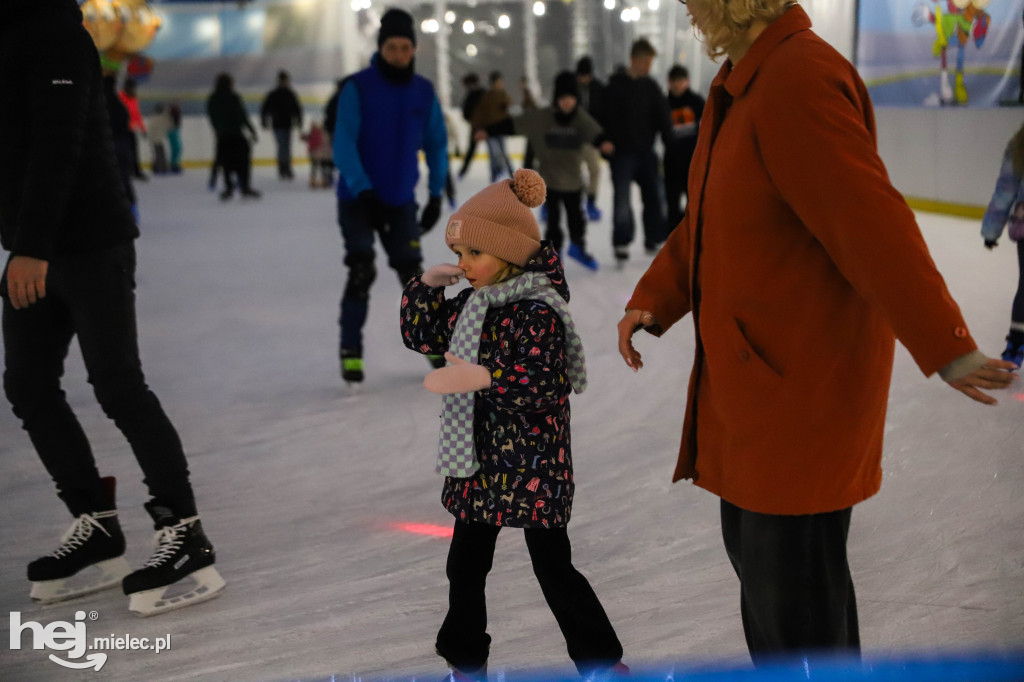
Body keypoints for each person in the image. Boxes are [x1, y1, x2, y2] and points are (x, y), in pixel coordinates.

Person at [615, 0, 1018, 663]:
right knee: (774, 597)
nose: (690, 16)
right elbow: (715, 214)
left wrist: (946, 346)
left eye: (695, 3)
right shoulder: (745, 79)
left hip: (800, 392)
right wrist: (655, 298)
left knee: (798, 618)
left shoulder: (797, 78)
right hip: (756, 387)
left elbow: (872, 224)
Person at [0, 0, 225, 617]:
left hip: (88, 242)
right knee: (28, 384)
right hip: (33, 243)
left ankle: (184, 532)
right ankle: (94, 522)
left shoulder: (57, 34)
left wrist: (31, 246)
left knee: (117, 383)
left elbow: (58, 142)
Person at [400, 169, 628, 681]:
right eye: (459, 257)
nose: (464, 266)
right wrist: (425, 289)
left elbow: (543, 383)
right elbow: (423, 336)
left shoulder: (538, 310)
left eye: (473, 255)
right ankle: (465, 664)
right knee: (464, 568)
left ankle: (602, 663)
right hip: (479, 466)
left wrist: (480, 376)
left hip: (532, 468)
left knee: (553, 569)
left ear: (508, 252)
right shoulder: (473, 302)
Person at [332, 8, 447, 383]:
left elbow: (436, 145)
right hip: (358, 200)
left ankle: (432, 346)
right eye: (392, 47)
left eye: (405, 48)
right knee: (362, 270)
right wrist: (363, 190)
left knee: (414, 277)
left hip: (400, 201)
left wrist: (434, 194)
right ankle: (351, 351)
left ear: (413, 50)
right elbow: (343, 143)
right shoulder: (357, 87)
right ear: (381, 47)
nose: (399, 54)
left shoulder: (423, 92)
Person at [479, 71, 613, 270]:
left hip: (574, 181)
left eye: (571, 99)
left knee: (576, 219)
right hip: (550, 181)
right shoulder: (542, 117)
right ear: (556, 99)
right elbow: (514, 124)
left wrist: (605, 145)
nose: (567, 103)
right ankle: (553, 257)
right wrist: (488, 131)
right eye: (563, 99)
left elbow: (597, 135)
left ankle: (577, 247)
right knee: (553, 223)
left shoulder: (581, 119)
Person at [599, 38, 672, 266]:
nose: (649, 67)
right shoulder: (614, 86)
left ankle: (654, 238)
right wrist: (603, 140)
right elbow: (600, 116)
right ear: (634, 59)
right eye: (645, 62)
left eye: (651, 62)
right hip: (621, 154)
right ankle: (622, 242)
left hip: (646, 153)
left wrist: (671, 144)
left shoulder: (651, 87)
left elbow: (663, 117)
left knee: (654, 197)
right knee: (622, 200)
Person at [981, 122, 1024, 367]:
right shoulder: (1020, 144)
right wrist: (991, 230)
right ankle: (1017, 340)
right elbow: (1006, 189)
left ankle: (1017, 341)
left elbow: (1005, 190)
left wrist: (991, 231)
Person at [663, 65, 705, 233]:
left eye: (681, 81)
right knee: (672, 202)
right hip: (671, 161)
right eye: (674, 81)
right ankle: (672, 237)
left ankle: (692, 236)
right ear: (669, 83)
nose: (677, 85)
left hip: (691, 160)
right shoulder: (663, 103)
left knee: (693, 202)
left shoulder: (696, 101)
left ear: (687, 82)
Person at [206, 72, 261, 200]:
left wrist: (217, 129)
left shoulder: (213, 98)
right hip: (237, 135)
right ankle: (245, 187)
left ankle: (229, 187)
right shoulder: (234, 97)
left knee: (226, 163)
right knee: (243, 162)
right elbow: (242, 115)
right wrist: (252, 130)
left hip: (223, 136)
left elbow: (212, 117)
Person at [470, 71, 515, 182]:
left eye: (501, 82)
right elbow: (480, 113)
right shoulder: (487, 97)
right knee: (493, 152)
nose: (500, 84)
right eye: (498, 82)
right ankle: (495, 174)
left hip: (501, 129)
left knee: (503, 152)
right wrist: (478, 127)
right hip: (489, 129)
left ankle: (511, 173)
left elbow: (509, 106)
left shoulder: (503, 95)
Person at [576, 56, 606, 221]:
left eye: (585, 76)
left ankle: (591, 201)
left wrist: (601, 136)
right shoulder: (572, 88)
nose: (583, 79)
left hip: (592, 139)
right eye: (580, 76)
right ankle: (573, 199)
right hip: (573, 140)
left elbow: (603, 113)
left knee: (595, 169)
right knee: (571, 172)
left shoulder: (598, 89)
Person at [261, 70, 303, 180]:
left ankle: (287, 168)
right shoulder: (274, 94)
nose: (285, 82)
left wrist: (299, 120)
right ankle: (282, 168)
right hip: (278, 124)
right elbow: (266, 108)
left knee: (286, 146)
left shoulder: (290, 94)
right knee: (281, 146)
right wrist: (264, 121)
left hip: (287, 124)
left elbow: (297, 108)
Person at [456, 73, 485, 179]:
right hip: (484, 125)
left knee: (473, 148)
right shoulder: (482, 92)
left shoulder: (473, 94)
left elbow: (466, 111)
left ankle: (463, 170)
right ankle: (500, 170)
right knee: (496, 148)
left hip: (478, 125)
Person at [118, 77, 147, 181]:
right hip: (121, 130)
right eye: (133, 88)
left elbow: (137, 114)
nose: (134, 90)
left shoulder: (134, 98)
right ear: (127, 87)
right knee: (124, 152)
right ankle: (124, 171)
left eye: (135, 88)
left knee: (134, 151)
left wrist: (143, 128)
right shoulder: (120, 97)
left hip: (130, 130)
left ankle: (136, 172)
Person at [302, 119, 333, 189]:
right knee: (317, 167)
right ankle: (320, 180)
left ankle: (322, 180)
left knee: (318, 167)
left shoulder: (320, 133)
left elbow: (326, 145)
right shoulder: (319, 133)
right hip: (318, 154)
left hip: (320, 154)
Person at [147, 103, 173, 175]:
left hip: (153, 139)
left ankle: (157, 168)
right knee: (160, 154)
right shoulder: (163, 118)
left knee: (157, 154)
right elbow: (169, 125)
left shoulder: (153, 118)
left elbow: (150, 129)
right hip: (159, 139)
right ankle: (161, 168)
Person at [167, 100, 183, 174]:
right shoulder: (172, 113)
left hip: (174, 130)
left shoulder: (175, 113)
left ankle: (174, 164)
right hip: (172, 131)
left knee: (177, 148)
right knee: (176, 148)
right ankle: (173, 165)